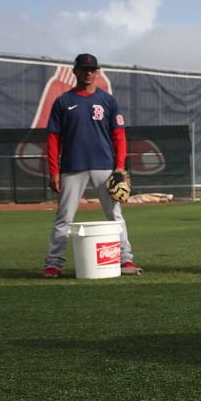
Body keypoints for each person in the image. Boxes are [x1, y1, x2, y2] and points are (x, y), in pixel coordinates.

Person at [42, 53, 140, 278]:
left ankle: (125, 259)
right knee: (64, 217)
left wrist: (119, 167)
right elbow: (53, 139)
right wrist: (54, 170)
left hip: (104, 166)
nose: (88, 73)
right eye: (84, 69)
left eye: (92, 69)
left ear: (97, 72)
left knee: (115, 214)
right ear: (75, 72)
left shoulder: (108, 101)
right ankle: (54, 263)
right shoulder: (63, 102)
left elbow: (119, 136)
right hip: (72, 166)